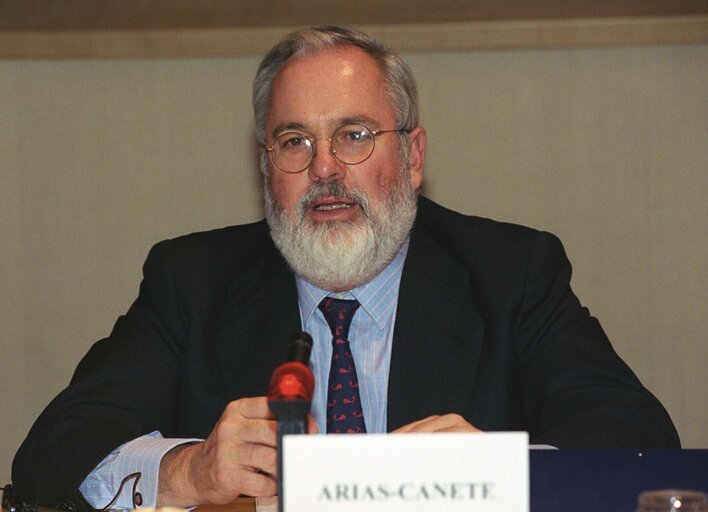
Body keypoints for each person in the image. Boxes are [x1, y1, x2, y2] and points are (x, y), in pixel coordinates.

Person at [12, 25, 679, 511]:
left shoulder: (511, 274)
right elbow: (52, 454)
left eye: (354, 135)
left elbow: (641, 444)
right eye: (294, 141)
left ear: (414, 157)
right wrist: (186, 471)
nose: (324, 167)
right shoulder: (193, 283)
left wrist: (495, 473)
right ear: (266, 166)